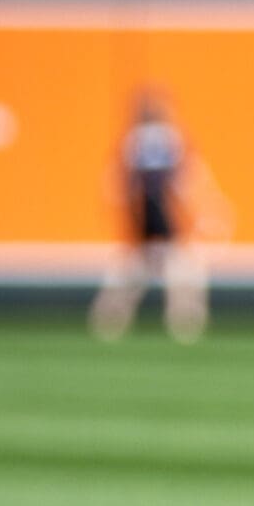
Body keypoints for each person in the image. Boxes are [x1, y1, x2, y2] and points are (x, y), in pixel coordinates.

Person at [89, 89, 220, 344]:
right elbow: (187, 179)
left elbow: (117, 183)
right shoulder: (164, 138)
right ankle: (184, 324)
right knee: (177, 272)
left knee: (140, 273)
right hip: (159, 215)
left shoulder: (136, 139)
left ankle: (109, 323)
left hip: (147, 215)